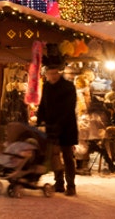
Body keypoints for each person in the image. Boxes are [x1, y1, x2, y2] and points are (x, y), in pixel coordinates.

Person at [36, 61, 78, 196]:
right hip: (51, 126)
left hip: (66, 127)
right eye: (50, 73)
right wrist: (39, 119)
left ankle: (71, 185)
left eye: (55, 73)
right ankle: (59, 183)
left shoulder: (68, 87)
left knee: (67, 156)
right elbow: (43, 104)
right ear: (46, 74)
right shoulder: (47, 86)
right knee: (54, 156)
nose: (53, 76)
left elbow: (69, 108)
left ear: (59, 73)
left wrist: (59, 123)